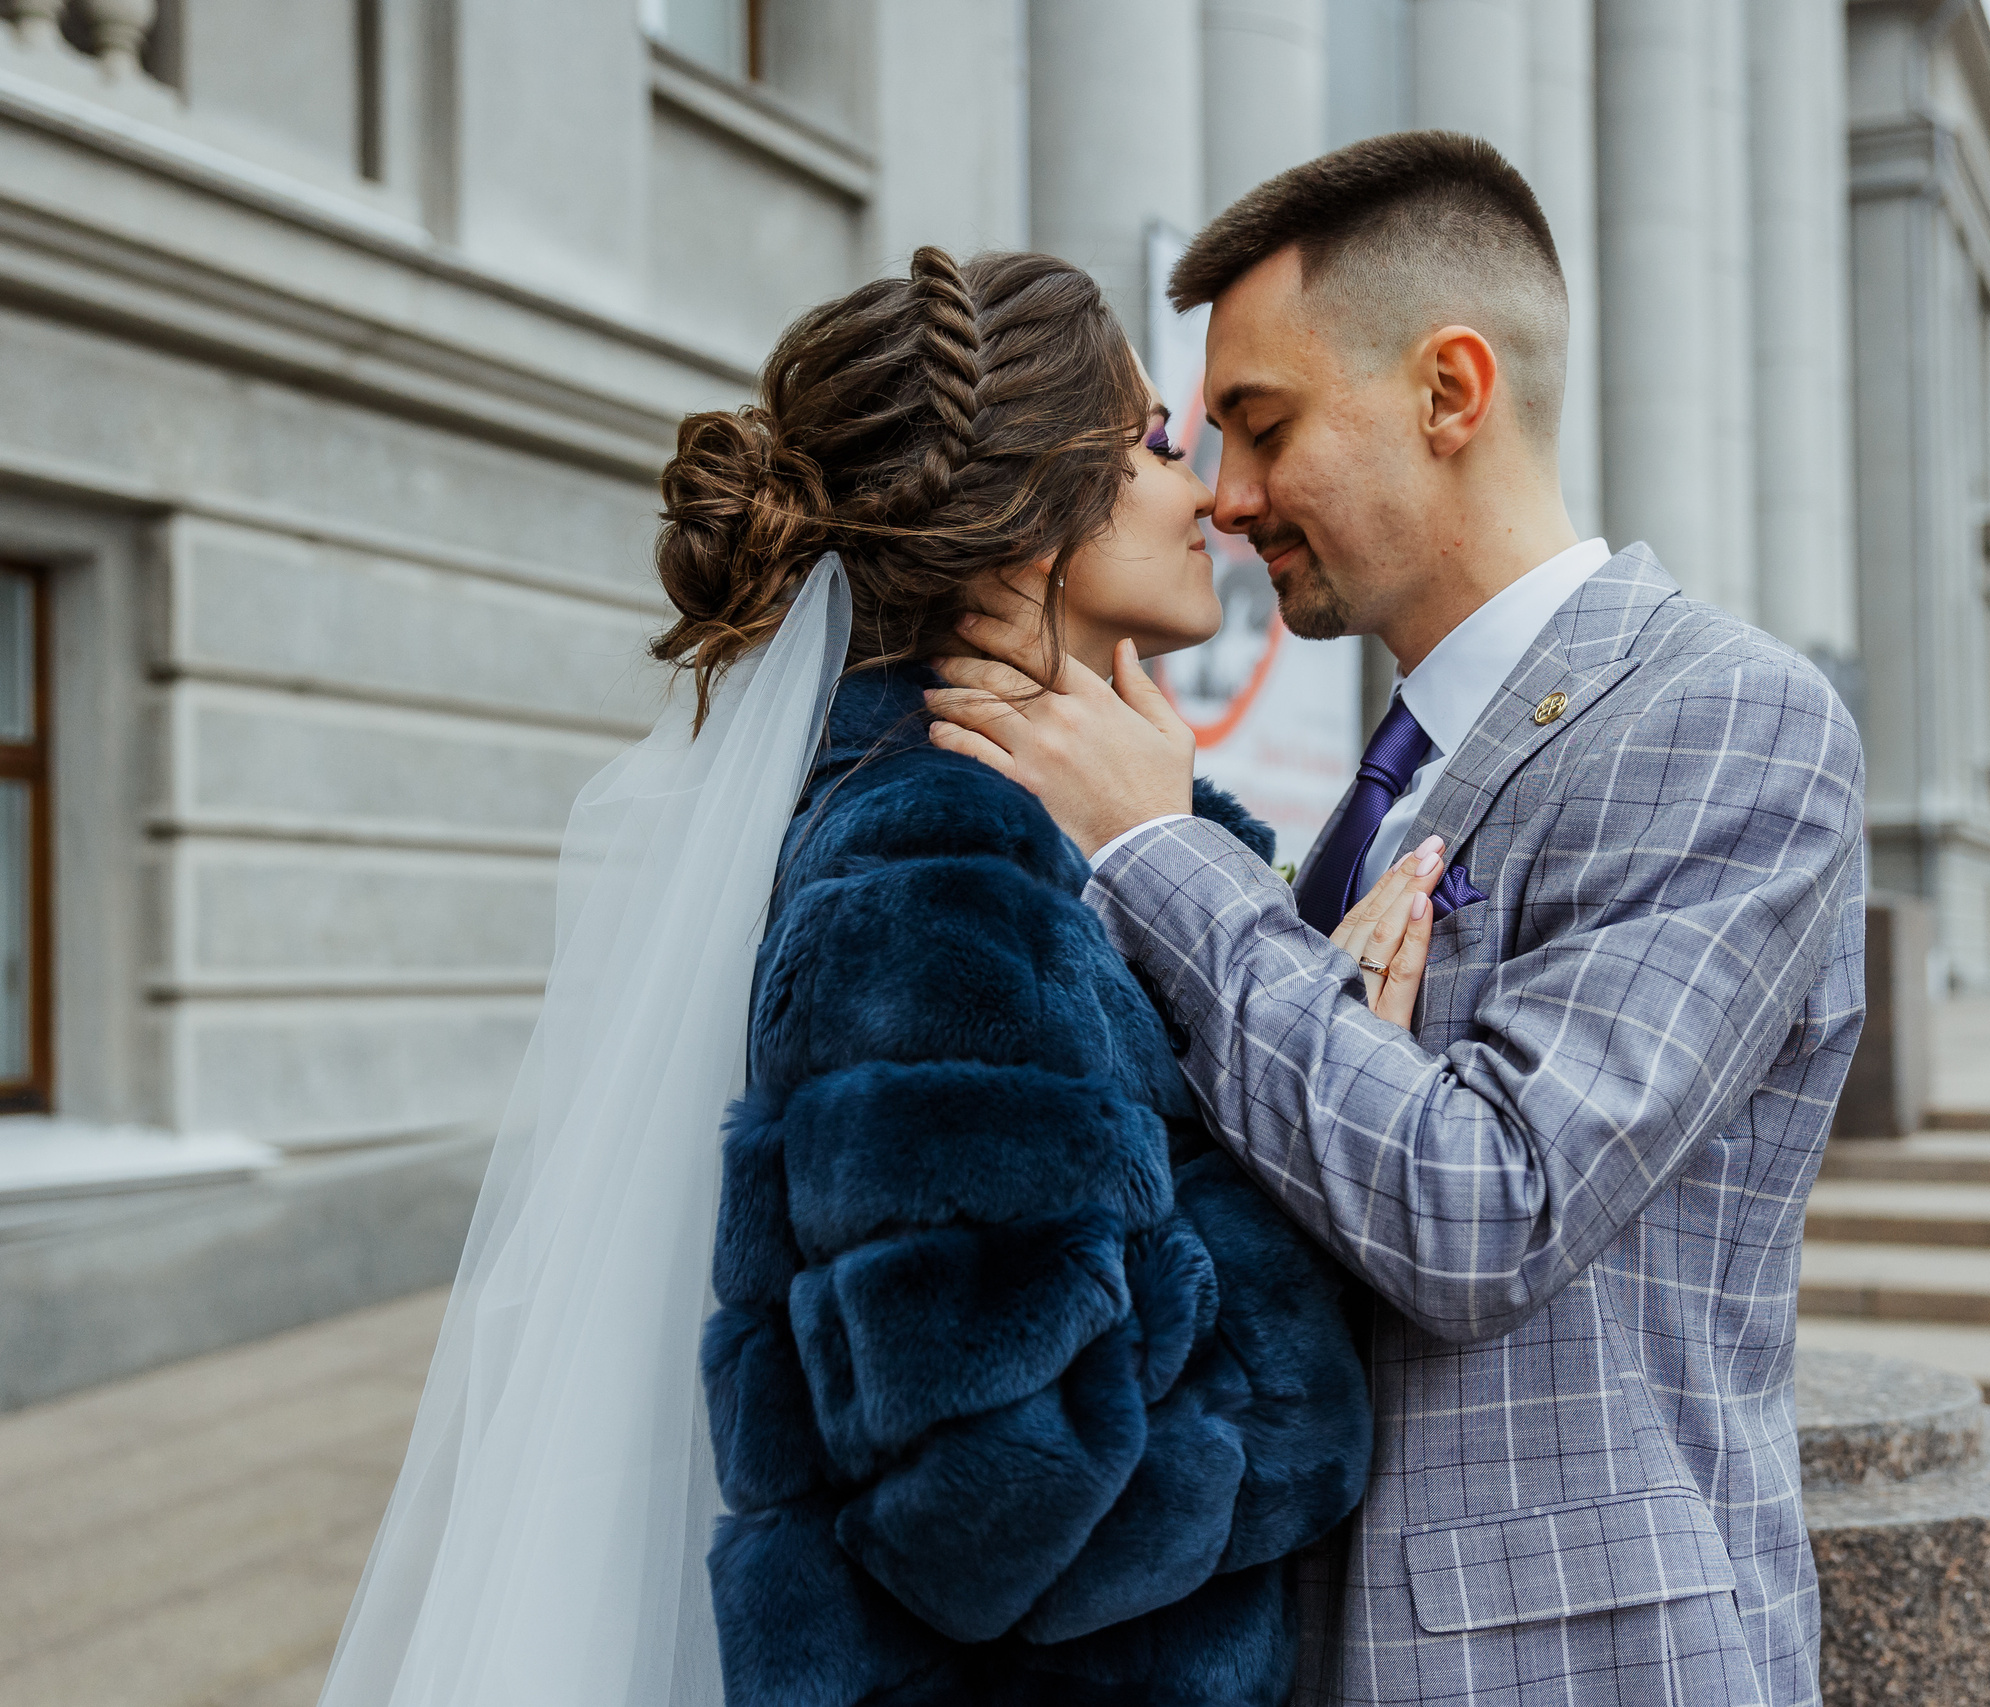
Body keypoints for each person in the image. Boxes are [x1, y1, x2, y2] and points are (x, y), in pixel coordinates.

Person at [318, 248, 1420, 1707]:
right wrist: (1319, 1255)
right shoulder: (940, 866)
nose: (1207, 493)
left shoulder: (1031, 840)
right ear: (1036, 512)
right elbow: (989, 1504)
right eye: (1156, 442)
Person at [926, 133, 1868, 1707]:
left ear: (1449, 393)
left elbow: (1484, 1208)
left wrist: (1156, 846)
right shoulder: (1403, 769)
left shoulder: (1727, 719)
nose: (1226, 500)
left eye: (1263, 426)